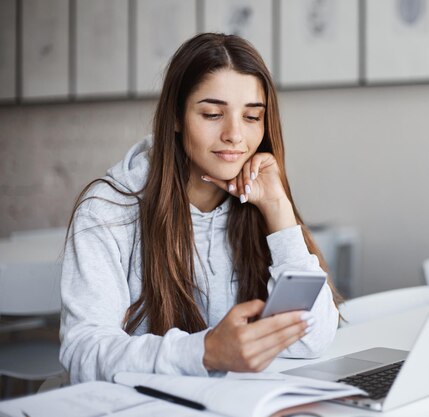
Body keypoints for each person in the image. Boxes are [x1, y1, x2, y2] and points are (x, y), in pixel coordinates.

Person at [60, 33, 341, 383]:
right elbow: (83, 351)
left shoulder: (258, 203)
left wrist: (279, 211)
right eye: (212, 114)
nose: (235, 135)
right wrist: (204, 351)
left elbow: (311, 339)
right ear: (176, 117)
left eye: (252, 117)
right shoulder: (107, 211)